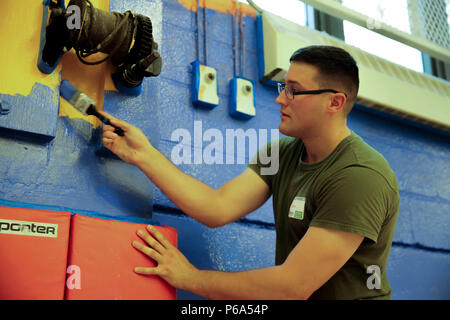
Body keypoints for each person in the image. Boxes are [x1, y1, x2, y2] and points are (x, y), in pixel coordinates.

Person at [100, 45, 400, 300]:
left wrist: (190, 278)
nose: (280, 99)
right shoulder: (281, 153)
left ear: (334, 102)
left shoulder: (359, 175)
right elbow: (217, 208)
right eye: (284, 88)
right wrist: (145, 155)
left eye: (294, 91)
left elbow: (292, 286)